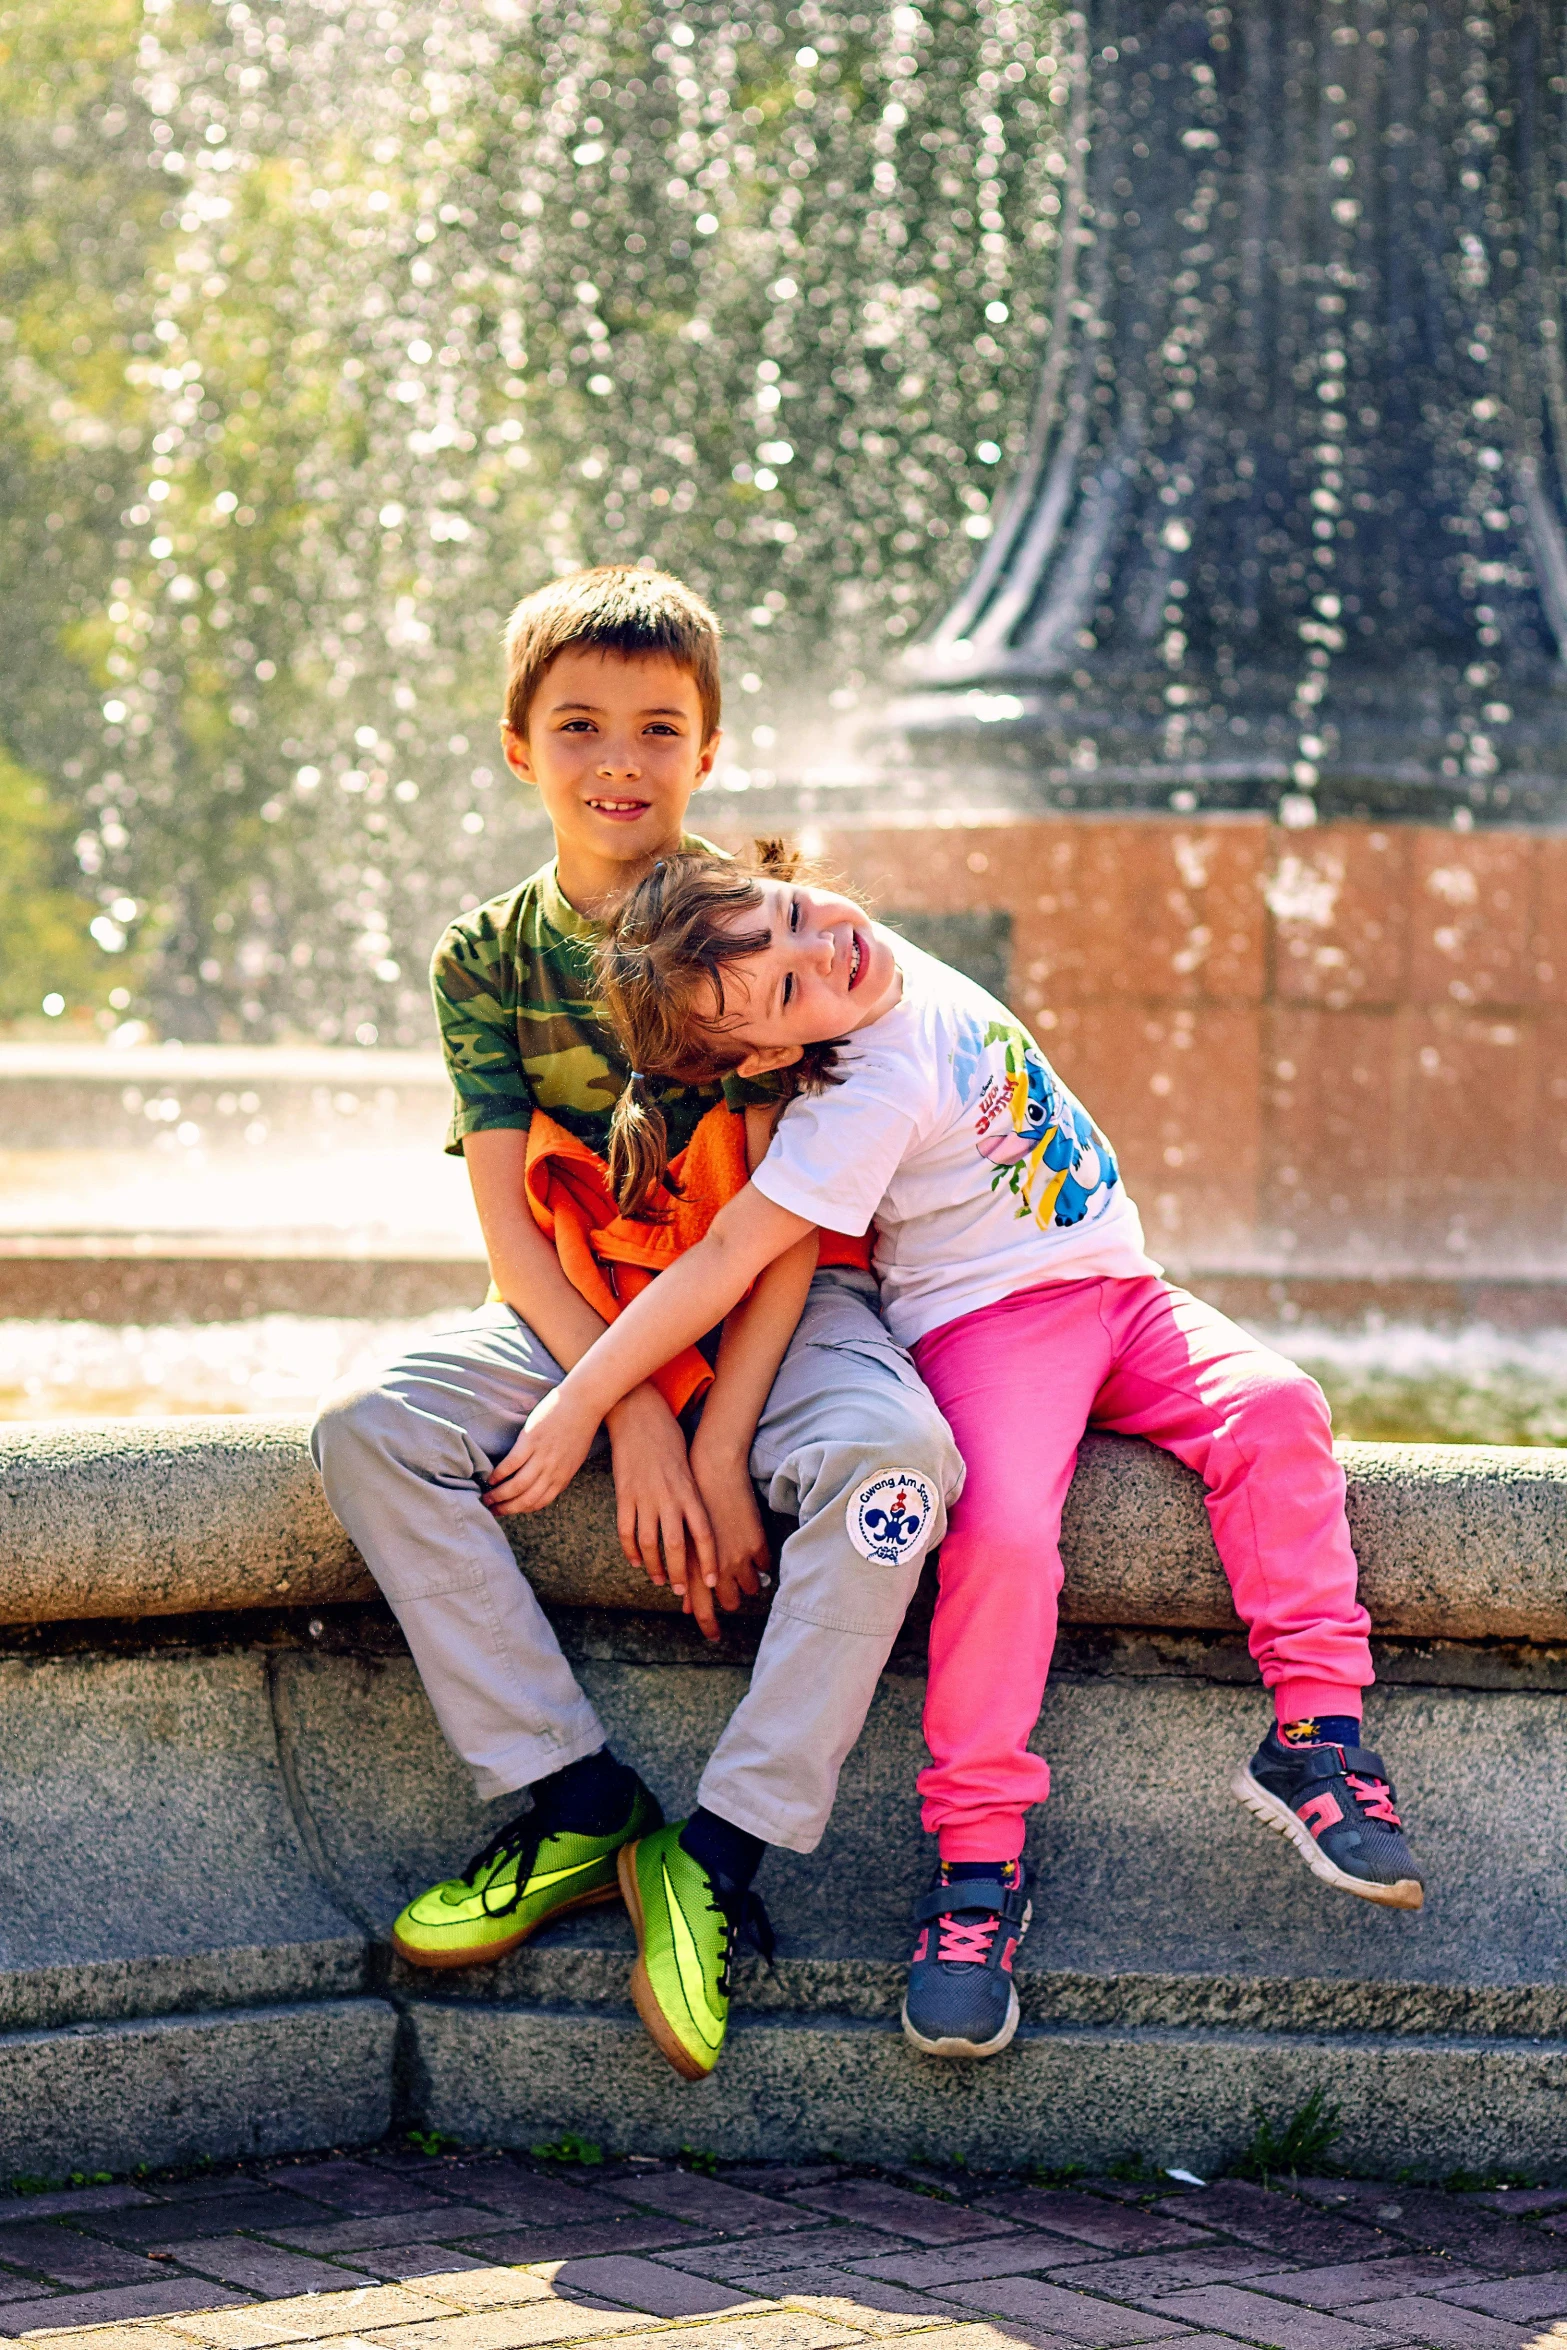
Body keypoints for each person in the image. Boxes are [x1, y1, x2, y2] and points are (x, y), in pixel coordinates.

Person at [493, 850, 1426, 2066]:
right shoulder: (853, 1097)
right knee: (1001, 1538)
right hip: (993, 1333)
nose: (817, 951)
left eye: (790, 915)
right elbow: (724, 1258)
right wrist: (587, 1398)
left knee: (1279, 1408)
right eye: (781, 990)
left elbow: (757, 930)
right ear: (772, 1056)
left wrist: (748, 928)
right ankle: (975, 1871)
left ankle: (1315, 1738)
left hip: (1124, 1294)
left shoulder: (860, 952)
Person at [311, 566, 963, 2083]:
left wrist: (720, 1432)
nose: (622, 761)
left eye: (659, 728)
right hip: (574, 1314)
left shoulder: (763, 928)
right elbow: (506, 1232)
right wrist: (636, 1417)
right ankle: (570, 1791)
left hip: (775, 1312)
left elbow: (781, 1233)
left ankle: (720, 1855)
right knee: (368, 1424)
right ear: (517, 749)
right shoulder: (482, 957)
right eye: (582, 725)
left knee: (891, 1466)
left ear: (710, 749)